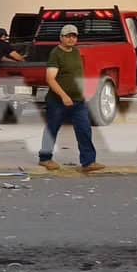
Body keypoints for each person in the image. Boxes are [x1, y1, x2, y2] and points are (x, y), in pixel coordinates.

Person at [37, 24, 103, 173]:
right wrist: (64, 96)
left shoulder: (75, 52)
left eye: (74, 36)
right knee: (52, 129)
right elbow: (50, 78)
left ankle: (88, 162)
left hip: (78, 101)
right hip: (58, 101)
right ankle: (45, 158)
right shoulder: (56, 54)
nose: (71, 39)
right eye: (68, 36)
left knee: (84, 130)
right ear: (61, 37)